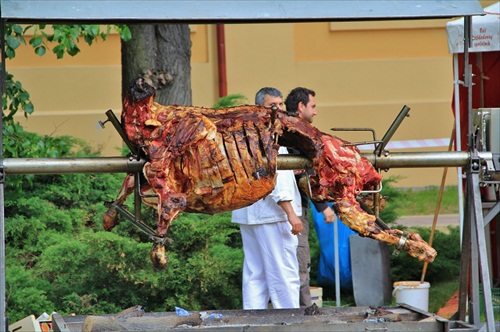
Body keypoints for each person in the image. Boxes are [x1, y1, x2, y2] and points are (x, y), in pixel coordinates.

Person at [231, 87, 303, 310]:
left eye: (281, 104)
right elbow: (273, 178)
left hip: (249, 213)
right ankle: (289, 321)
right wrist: (291, 214)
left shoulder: (245, 134)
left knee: (256, 274)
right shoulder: (268, 135)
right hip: (272, 215)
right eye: (274, 105)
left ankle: (252, 320)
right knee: (283, 273)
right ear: (260, 108)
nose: (279, 109)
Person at [285, 87, 336, 307]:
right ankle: (303, 318)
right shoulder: (295, 133)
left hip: (288, 209)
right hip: (292, 210)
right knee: (299, 267)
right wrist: (324, 206)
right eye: (312, 106)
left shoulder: (288, 130)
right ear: (300, 107)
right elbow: (304, 177)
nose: (315, 112)